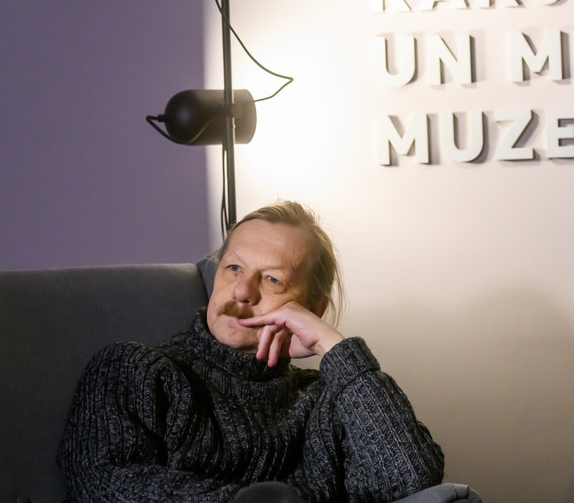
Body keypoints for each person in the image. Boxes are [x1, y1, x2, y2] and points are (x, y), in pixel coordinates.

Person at [58, 201, 445, 502]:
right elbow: (102, 484)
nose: (242, 291)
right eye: (233, 269)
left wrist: (334, 347)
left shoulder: (326, 401)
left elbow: (413, 479)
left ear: (313, 309)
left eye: (272, 279)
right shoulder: (136, 370)